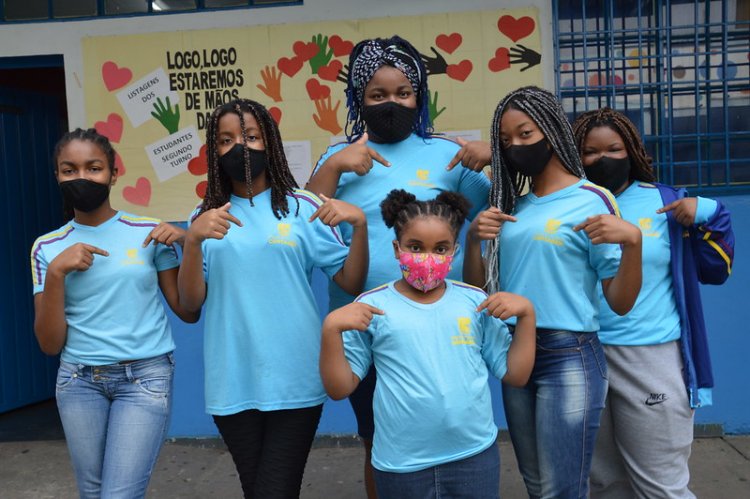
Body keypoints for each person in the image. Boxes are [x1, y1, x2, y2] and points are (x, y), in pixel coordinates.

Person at [306, 35, 491, 496]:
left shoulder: (446, 152)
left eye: (403, 93)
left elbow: (500, 206)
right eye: (377, 95)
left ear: (420, 97)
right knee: (376, 438)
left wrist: (495, 158)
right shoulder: (336, 157)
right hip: (367, 324)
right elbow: (302, 219)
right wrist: (334, 167)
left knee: (448, 420)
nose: (391, 102)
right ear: (358, 100)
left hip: (439, 320)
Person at [177, 98, 368, 498]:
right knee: (259, 489)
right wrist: (193, 240)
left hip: (295, 378)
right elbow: (191, 304)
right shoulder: (206, 214)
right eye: (226, 140)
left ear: (271, 143)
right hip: (232, 381)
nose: (239, 147)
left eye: (250, 136)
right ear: (214, 152)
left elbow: (350, 281)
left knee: (275, 490)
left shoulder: (302, 207)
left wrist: (360, 226)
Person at [463, 86, 643, 499]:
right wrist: (474, 241)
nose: (515, 147)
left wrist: (634, 243)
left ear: (551, 128)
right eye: (505, 141)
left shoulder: (593, 199)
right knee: (537, 485)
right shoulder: (513, 206)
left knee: (563, 489)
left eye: (525, 134)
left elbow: (620, 300)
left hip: (569, 355)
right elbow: (481, 293)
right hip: (516, 352)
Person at [320, 189, 536, 499]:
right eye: (416, 247)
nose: (428, 258)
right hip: (401, 465)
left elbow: (515, 375)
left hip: (473, 457)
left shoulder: (475, 302)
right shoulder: (372, 306)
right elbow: (339, 388)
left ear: (455, 251)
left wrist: (527, 315)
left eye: (441, 248)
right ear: (397, 249)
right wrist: (330, 330)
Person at [571, 107, 735, 499]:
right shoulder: (567, 204)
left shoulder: (666, 203)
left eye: (614, 148)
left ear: (633, 151)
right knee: (606, 483)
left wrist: (709, 211)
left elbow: (716, 268)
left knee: (661, 487)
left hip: (649, 356)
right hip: (582, 354)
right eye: (590, 152)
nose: (603, 159)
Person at [30, 128, 199, 499]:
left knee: (118, 494)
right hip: (78, 382)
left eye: (93, 168)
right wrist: (57, 273)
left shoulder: (148, 233)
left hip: (144, 377)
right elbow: (49, 342)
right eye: (69, 170)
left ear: (113, 173)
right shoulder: (47, 248)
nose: (81, 178)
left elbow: (188, 311)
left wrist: (189, 243)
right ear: (57, 176)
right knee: (93, 493)